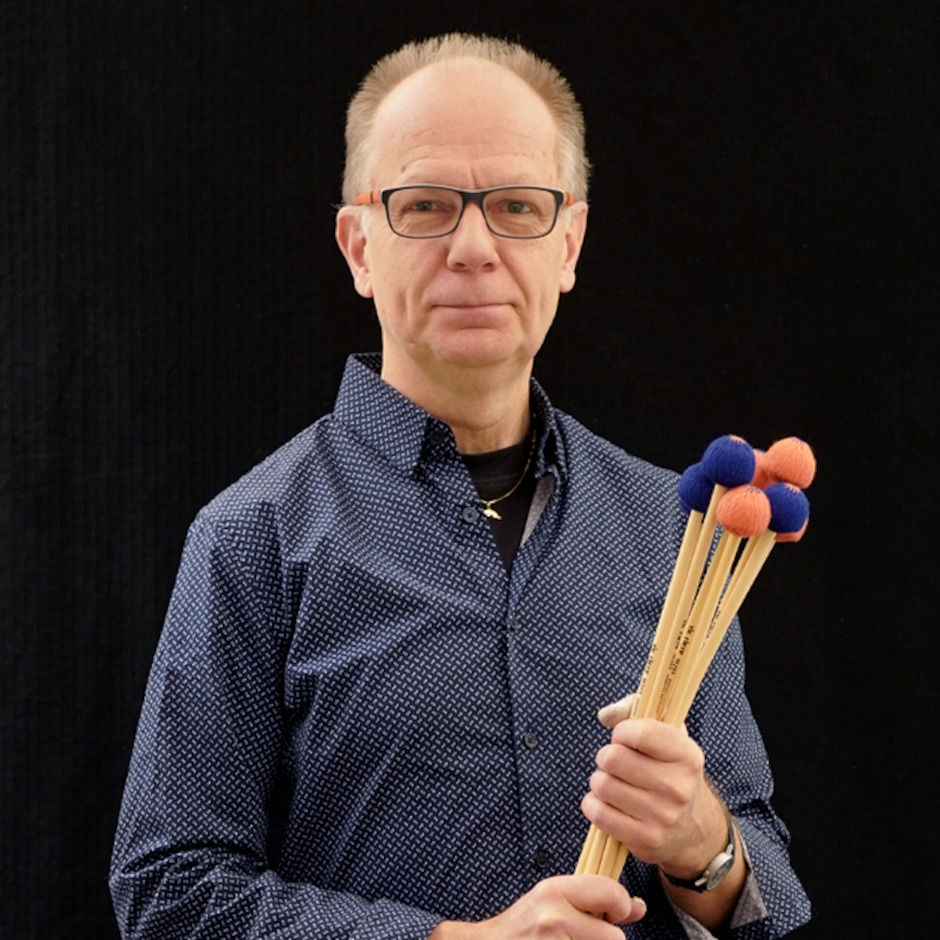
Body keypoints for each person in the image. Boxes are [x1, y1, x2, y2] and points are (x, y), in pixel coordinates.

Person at [110, 33, 811, 939]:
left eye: (517, 207)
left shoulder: (673, 526)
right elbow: (168, 891)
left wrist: (704, 847)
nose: (474, 248)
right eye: (426, 207)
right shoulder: (253, 536)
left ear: (569, 243)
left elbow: (767, 902)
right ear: (359, 247)